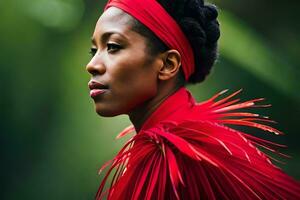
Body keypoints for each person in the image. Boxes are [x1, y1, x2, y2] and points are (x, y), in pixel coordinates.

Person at [86, 0, 300, 199]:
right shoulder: (192, 146)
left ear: (168, 64)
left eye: (113, 46)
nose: (92, 65)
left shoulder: (178, 162)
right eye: (94, 50)